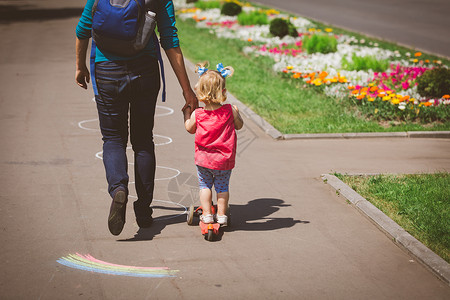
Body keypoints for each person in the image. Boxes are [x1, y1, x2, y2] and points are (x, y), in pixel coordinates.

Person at [75, 0, 198, 236]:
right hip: (145, 72)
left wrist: (80, 66)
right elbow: (170, 40)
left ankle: (119, 187)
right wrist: (187, 90)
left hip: (107, 72)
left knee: (113, 139)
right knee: (143, 141)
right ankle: (143, 210)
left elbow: (82, 29)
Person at [183, 62, 243, 226]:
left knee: (205, 186)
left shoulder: (198, 114)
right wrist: (236, 113)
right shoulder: (230, 110)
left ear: (199, 91)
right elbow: (239, 126)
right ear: (223, 91)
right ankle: (222, 215)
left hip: (204, 160)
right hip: (224, 160)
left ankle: (207, 214)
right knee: (222, 188)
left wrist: (187, 113)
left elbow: (189, 128)